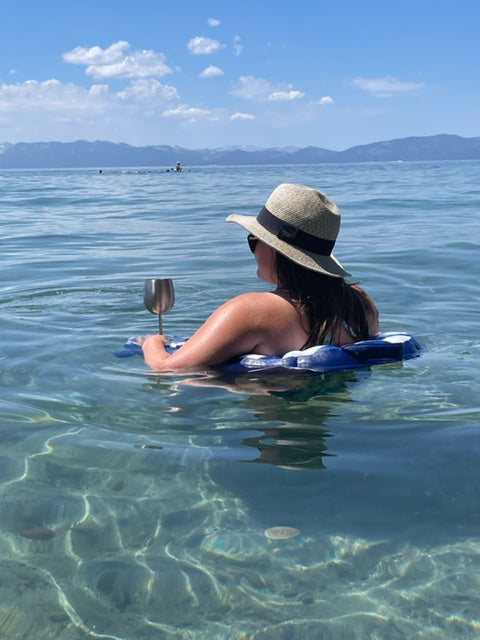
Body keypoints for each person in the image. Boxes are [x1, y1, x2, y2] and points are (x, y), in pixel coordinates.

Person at [139, 183, 380, 371]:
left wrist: (152, 343)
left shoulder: (253, 310)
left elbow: (168, 369)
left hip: (271, 422)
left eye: (254, 240)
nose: (253, 250)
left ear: (275, 250)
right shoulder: (360, 303)